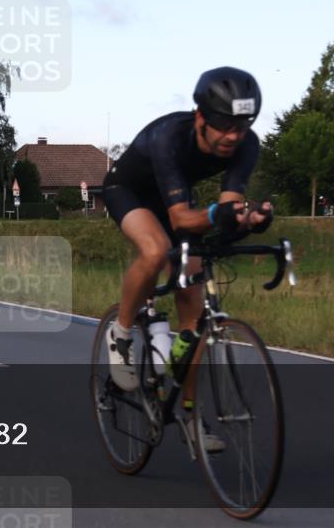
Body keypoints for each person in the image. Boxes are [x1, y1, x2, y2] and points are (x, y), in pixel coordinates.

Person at [101, 66, 274, 452]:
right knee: (155, 248)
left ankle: (190, 415)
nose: (233, 135)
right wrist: (218, 215)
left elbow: (227, 209)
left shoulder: (247, 145)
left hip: (175, 200)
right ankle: (122, 334)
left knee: (195, 319)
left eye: (242, 125)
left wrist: (247, 219)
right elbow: (182, 218)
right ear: (201, 117)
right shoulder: (169, 137)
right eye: (224, 125)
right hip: (128, 191)